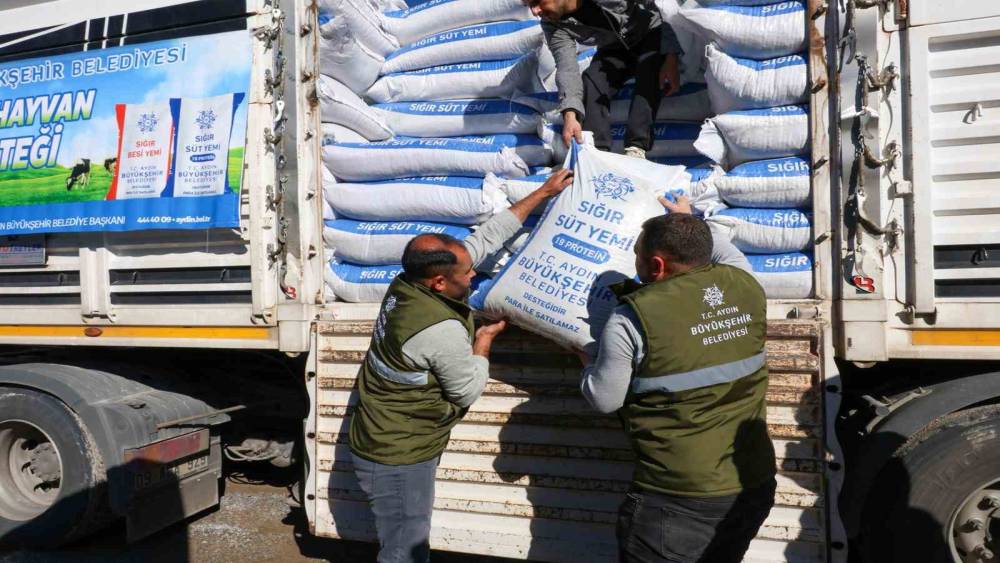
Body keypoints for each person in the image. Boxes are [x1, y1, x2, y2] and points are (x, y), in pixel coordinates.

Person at [348, 169, 574, 563]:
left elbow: (483, 239)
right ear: (438, 283)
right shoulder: (437, 329)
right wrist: (483, 341)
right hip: (398, 455)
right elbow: (466, 390)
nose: (473, 275)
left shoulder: (407, 281)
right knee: (404, 549)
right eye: (467, 274)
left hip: (388, 438)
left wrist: (542, 192)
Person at [580, 196, 777, 563]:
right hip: (753, 484)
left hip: (678, 499)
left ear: (656, 265)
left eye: (637, 256)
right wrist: (687, 220)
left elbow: (605, 399)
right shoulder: (745, 282)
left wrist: (589, 361)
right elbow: (719, 249)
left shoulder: (630, 318)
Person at [525, 0, 683, 159]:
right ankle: (597, 152)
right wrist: (570, 115)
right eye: (529, 5)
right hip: (615, 47)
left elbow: (662, 5)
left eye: (537, 1)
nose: (534, 11)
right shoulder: (552, 24)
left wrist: (671, 55)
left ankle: (636, 147)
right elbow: (567, 68)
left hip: (651, 34)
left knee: (648, 69)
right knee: (591, 79)